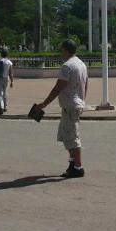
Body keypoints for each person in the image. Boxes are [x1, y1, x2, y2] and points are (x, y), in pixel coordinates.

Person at [37, 39, 88, 178]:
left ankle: (78, 167)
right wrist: (82, 100)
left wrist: (44, 104)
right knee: (66, 136)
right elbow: (86, 84)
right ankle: (72, 164)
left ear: (65, 50)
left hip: (70, 105)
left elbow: (58, 87)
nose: (61, 53)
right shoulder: (81, 64)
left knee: (73, 137)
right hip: (74, 104)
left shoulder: (67, 66)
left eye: (61, 50)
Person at [0, 48, 13, 115]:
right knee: (5, 92)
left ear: (1, 54)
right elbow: (11, 73)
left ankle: (1, 107)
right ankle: (5, 106)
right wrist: (12, 81)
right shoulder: (9, 62)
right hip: (6, 79)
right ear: (7, 54)